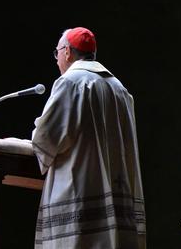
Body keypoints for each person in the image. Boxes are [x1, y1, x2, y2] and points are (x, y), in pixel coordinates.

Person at [31, 27, 146, 248]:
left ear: (66, 52)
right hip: (117, 196)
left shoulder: (70, 83)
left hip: (81, 196)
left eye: (57, 54)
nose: (57, 61)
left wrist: (37, 132)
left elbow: (46, 138)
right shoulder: (119, 88)